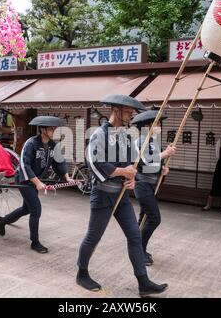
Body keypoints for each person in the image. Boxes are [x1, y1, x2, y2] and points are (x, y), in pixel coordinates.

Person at [77, 94, 168, 297]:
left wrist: (132, 178)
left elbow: (132, 164)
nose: (130, 116)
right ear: (115, 110)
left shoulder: (127, 136)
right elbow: (95, 163)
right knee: (94, 236)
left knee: (134, 236)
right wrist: (122, 172)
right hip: (102, 195)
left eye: (131, 112)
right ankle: (82, 273)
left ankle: (143, 282)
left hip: (121, 196)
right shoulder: (99, 134)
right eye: (127, 112)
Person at [0, 116, 72, 254]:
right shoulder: (31, 143)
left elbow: (59, 163)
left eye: (54, 128)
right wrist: (37, 183)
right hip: (24, 179)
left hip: (36, 180)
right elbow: (24, 165)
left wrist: (67, 178)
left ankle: (2, 221)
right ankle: (35, 242)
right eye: (50, 128)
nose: (53, 130)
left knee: (27, 209)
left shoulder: (53, 146)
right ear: (42, 129)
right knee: (36, 209)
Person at [131, 110, 176, 266]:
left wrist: (163, 168)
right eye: (156, 123)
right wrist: (165, 153)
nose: (159, 126)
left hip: (150, 185)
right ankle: (139, 250)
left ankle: (137, 249)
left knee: (143, 219)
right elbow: (147, 160)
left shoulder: (152, 141)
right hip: (142, 186)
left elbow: (154, 165)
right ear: (147, 125)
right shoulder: (140, 141)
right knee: (154, 218)